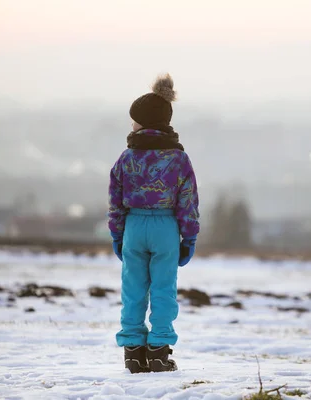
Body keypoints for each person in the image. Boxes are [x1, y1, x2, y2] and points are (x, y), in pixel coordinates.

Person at [107, 74, 200, 373]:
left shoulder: (126, 158)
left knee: (132, 290)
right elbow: (188, 202)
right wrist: (189, 237)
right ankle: (159, 351)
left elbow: (115, 200)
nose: (131, 125)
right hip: (166, 229)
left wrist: (117, 235)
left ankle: (133, 351)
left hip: (134, 227)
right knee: (163, 289)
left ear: (145, 123)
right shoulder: (178, 159)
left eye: (134, 120)